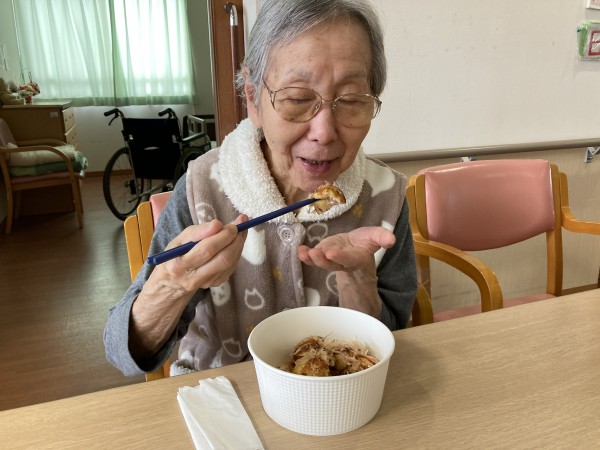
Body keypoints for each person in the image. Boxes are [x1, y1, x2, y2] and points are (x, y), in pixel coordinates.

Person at [104, 0, 417, 377]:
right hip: (225, 394)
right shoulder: (204, 188)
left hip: (338, 399)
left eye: (351, 101)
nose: (324, 132)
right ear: (253, 99)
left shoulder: (386, 197)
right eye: (297, 98)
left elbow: (395, 337)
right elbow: (123, 353)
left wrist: (359, 281)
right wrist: (173, 286)